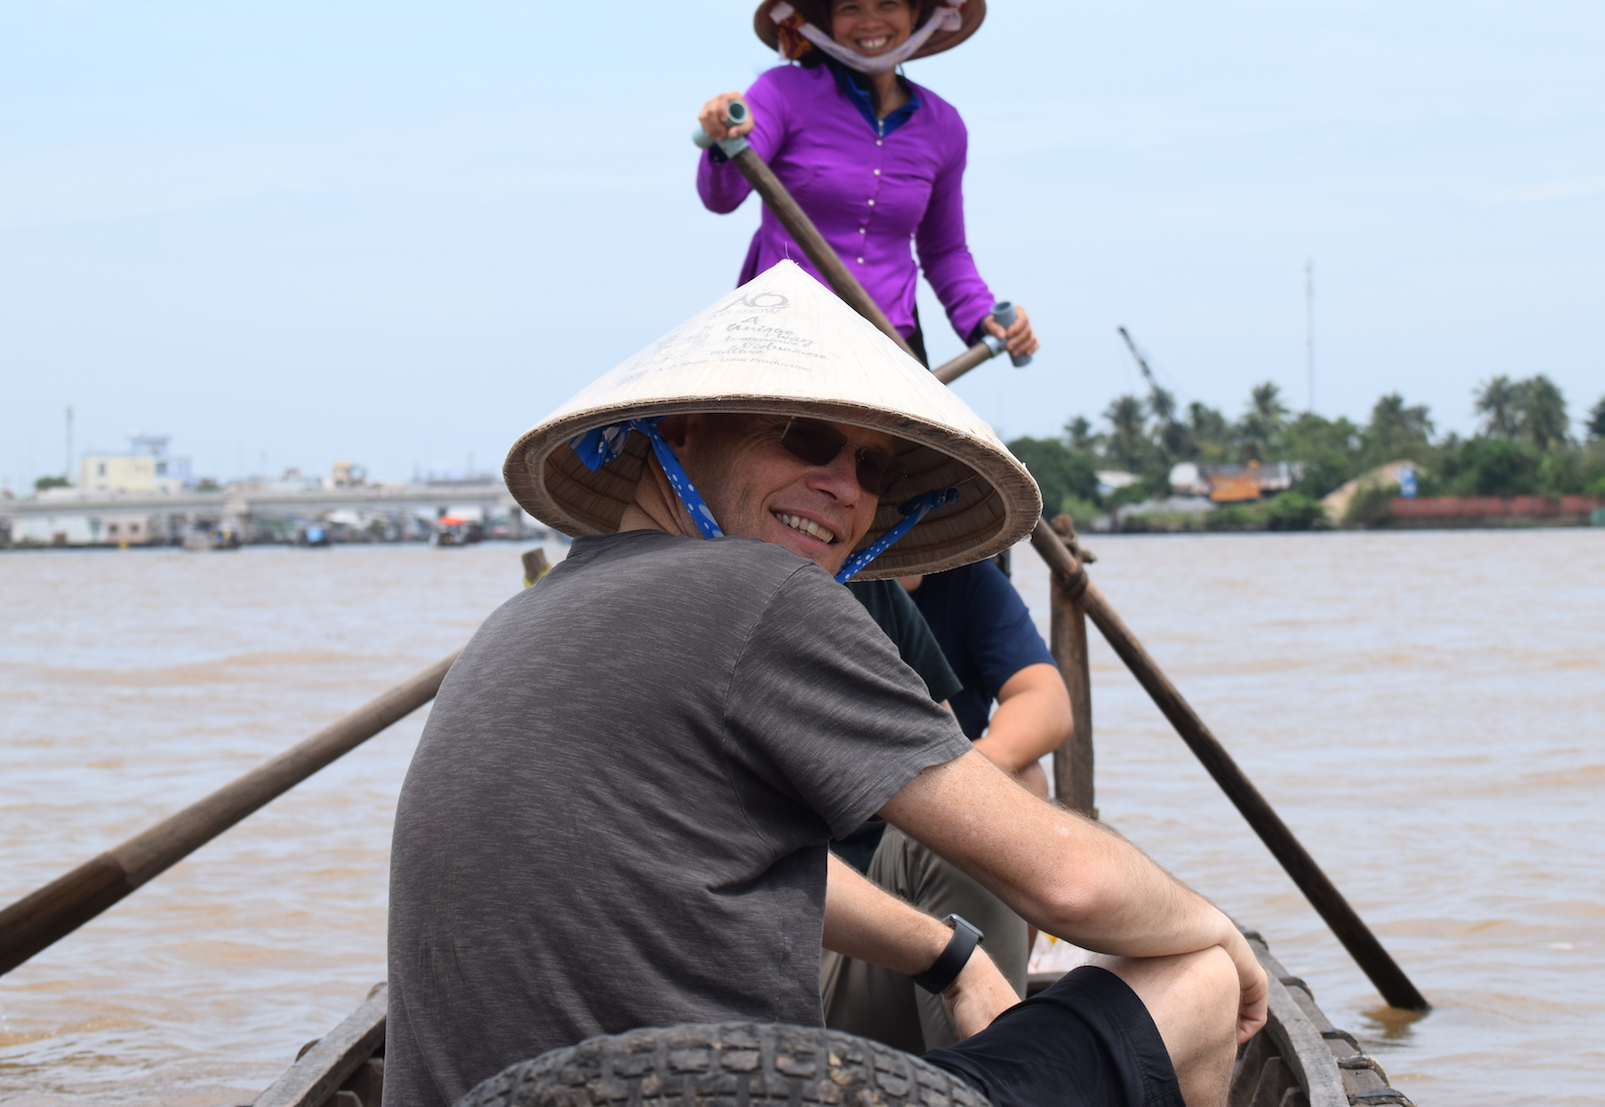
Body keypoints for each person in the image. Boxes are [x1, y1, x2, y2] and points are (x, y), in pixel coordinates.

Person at [387, 262, 1265, 1107]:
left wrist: (946, 955)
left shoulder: (519, 623)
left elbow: (690, 864)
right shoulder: (760, 596)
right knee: (1196, 978)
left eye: (872, 469)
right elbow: (1071, 886)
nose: (842, 488)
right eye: (804, 437)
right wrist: (1221, 930)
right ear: (690, 424)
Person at [695, 0, 1039, 366]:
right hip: (779, 337)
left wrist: (983, 316)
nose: (870, 21)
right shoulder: (781, 91)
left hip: (889, 344)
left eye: (888, 4)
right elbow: (721, 195)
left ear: (916, 10)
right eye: (849, 8)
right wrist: (724, 132)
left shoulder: (944, 125)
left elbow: (944, 250)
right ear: (826, 19)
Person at [824, 557, 1075, 1052]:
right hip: (827, 917)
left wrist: (968, 773)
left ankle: (994, 1015)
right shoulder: (823, 587)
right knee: (971, 816)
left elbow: (1046, 699)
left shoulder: (956, 584)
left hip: (918, 859)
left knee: (1013, 786)